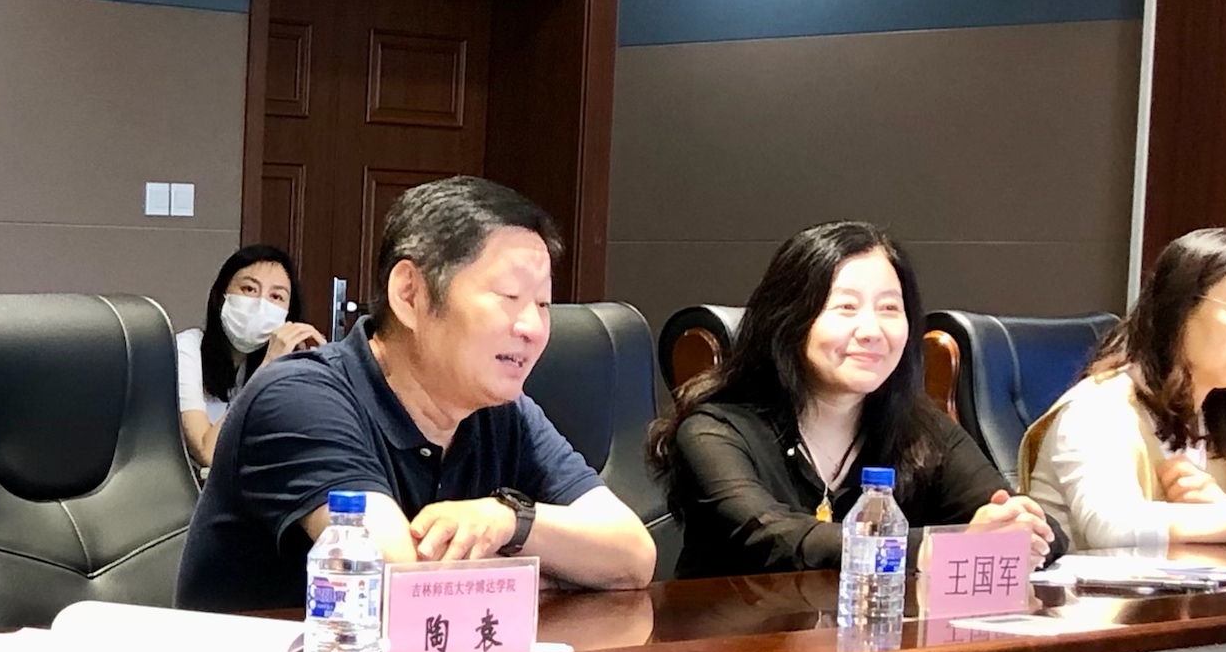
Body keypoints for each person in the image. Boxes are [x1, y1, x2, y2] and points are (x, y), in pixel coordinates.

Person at [177, 175, 653, 609]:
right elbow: (396, 581)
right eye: (510, 298)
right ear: (410, 294)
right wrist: (557, 571)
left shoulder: (503, 412)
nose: (532, 327)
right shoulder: (300, 397)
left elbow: (633, 555)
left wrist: (509, 520)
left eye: (544, 304)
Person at [651, 222, 1052, 579]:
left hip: (879, 634)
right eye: (846, 307)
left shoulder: (921, 429)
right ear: (789, 320)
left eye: (889, 309)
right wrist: (938, 549)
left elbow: (1042, 532)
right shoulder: (714, 430)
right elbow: (773, 537)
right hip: (738, 636)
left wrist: (1020, 530)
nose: (872, 330)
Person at [1022, 226, 1226, 553]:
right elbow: (1113, 526)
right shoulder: (1099, 409)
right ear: (1179, 310)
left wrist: (1223, 507)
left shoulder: (1224, 417)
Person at [178, 243, 323, 469]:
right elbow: (208, 454)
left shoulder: (284, 362)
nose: (261, 305)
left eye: (276, 296)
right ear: (220, 297)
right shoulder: (187, 348)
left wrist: (320, 369)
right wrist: (268, 366)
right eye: (249, 289)